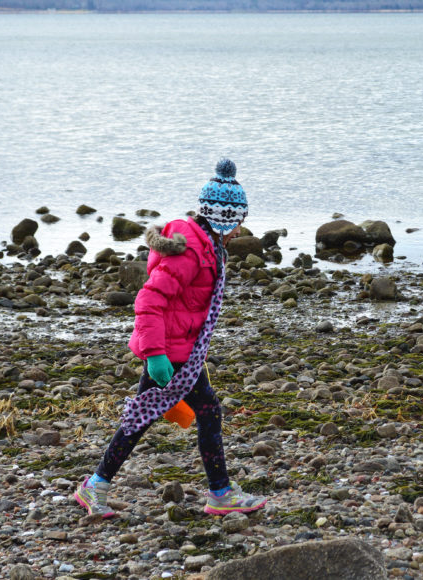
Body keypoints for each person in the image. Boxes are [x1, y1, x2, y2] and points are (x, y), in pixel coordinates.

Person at [75, 158, 267, 518]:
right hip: (170, 353)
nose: (241, 230)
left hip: (184, 351)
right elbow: (149, 300)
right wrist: (156, 354)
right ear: (225, 218)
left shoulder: (206, 244)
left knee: (149, 416)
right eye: (239, 222)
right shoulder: (192, 251)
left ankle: (97, 484)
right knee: (190, 412)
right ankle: (219, 493)